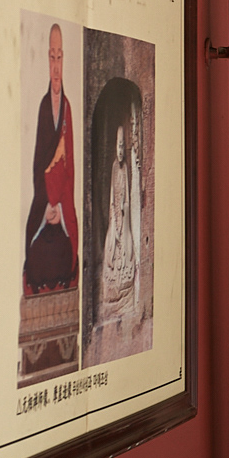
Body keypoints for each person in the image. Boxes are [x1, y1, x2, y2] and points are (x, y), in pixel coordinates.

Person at [23, 21, 78, 291]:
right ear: (47, 59)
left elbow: (70, 169)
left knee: (69, 250)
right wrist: (46, 207)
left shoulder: (66, 107)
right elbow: (37, 166)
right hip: (44, 204)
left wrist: (60, 207)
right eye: (52, 57)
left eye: (60, 57)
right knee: (33, 248)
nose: (56, 66)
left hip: (62, 205)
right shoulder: (45, 106)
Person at [98, 119, 139, 322]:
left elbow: (127, 200)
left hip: (125, 218)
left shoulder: (125, 169)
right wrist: (115, 218)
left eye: (123, 146)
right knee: (111, 247)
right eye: (118, 146)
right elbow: (113, 198)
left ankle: (125, 291)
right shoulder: (115, 167)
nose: (121, 150)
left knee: (127, 248)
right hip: (115, 218)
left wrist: (125, 210)